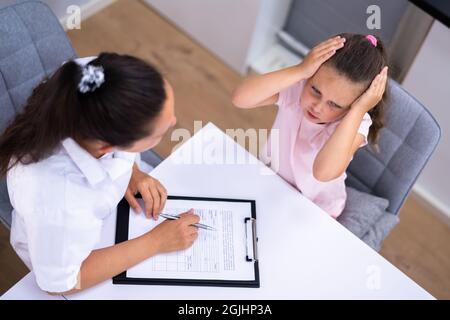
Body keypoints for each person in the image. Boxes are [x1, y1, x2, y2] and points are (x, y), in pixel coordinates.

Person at [0, 53, 199, 294]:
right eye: (158, 134)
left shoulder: (93, 79)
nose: (174, 121)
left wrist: (132, 171)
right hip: (64, 254)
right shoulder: (58, 202)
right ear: (107, 146)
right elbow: (60, 283)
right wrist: (155, 242)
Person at [232, 33, 388, 218]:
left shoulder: (357, 122)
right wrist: (300, 70)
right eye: (315, 90)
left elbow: (323, 172)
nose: (318, 107)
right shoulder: (298, 89)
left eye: (335, 104)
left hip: (316, 207)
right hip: (272, 181)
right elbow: (240, 98)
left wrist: (359, 110)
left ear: (352, 106)